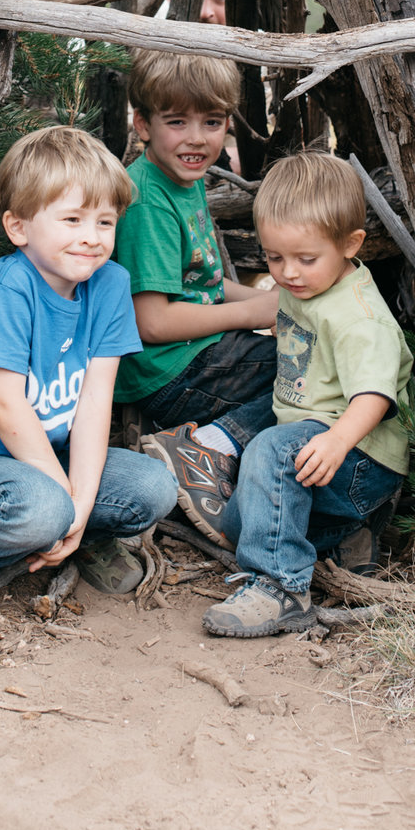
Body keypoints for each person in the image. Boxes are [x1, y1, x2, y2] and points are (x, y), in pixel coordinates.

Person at [0, 125, 179, 625]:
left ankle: (75, 537)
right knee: (43, 507)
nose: (91, 237)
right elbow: (5, 404)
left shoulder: (110, 285)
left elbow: (96, 402)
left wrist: (78, 508)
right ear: (19, 228)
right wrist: (64, 501)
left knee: (153, 488)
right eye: (72, 219)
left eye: (105, 221)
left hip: (47, 456)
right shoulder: (9, 292)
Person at [206, 154, 413, 638]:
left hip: (358, 457)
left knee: (271, 454)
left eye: (304, 259)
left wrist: (339, 439)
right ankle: (345, 538)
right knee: (241, 523)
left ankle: (281, 588)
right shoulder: (307, 287)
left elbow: (374, 396)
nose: (288, 273)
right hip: (321, 449)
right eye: (274, 257)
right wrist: (210, 289)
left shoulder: (360, 319)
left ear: (351, 245)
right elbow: (267, 303)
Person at [113, 50, 279, 543]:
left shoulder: (181, 182)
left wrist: (271, 301)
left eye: (211, 122)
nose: (195, 138)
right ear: (142, 125)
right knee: (308, 371)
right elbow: (154, 322)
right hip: (166, 369)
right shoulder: (148, 199)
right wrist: (253, 310)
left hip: (191, 355)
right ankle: (209, 446)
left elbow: (200, 283)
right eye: (176, 121)